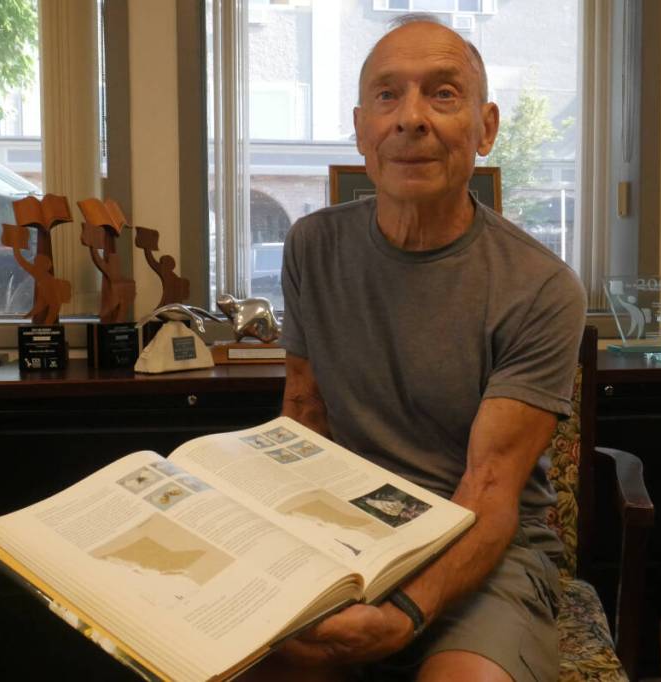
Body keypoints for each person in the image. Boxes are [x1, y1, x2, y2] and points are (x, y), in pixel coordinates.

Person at [250, 14, 587, 682]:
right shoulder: (312, 247)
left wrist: (404, 611)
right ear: (360, 128)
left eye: (442, 93)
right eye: (387, 95)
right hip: (342, 534)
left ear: (485, 128)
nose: (410, 118)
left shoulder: (541, 287)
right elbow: (303, 419)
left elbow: (488, 490)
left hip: (484, 554)